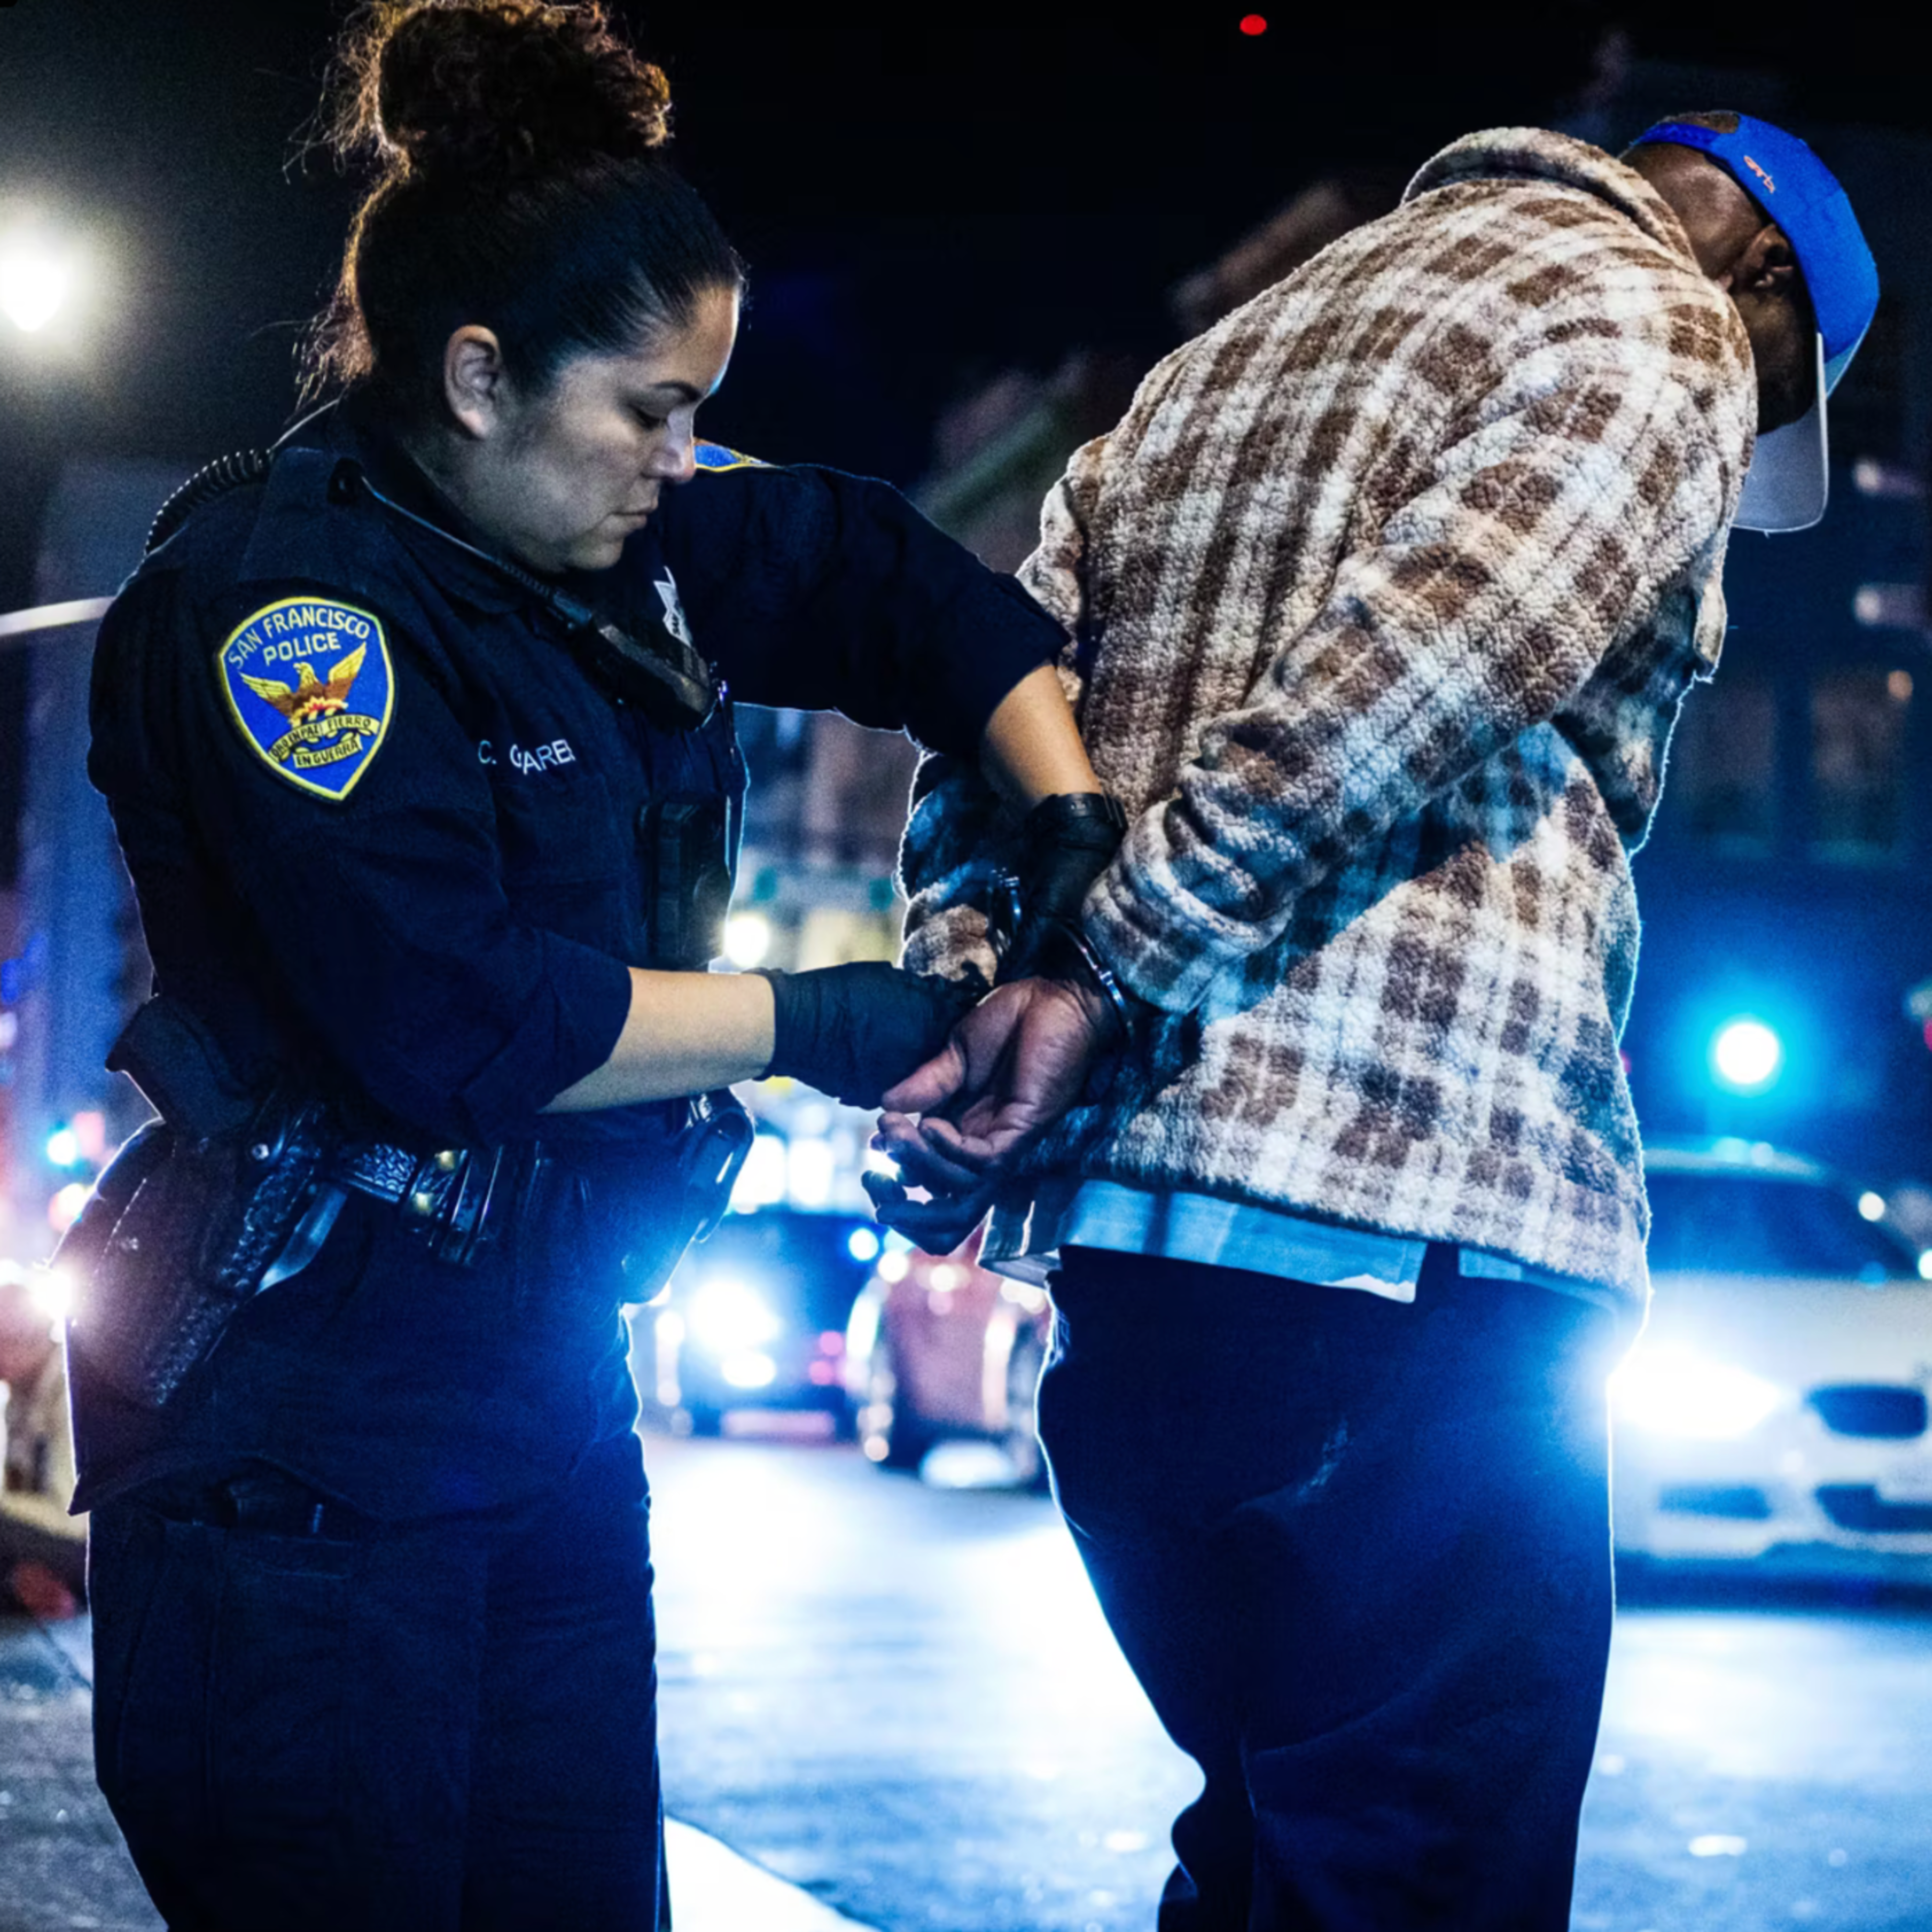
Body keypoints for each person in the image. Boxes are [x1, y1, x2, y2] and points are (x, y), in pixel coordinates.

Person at [71, 4, 1103, 1927]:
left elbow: (897, 585)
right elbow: (455, 1014)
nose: (684, 459)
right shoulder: (299, 613)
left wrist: (1067, 813)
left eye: (701, 405)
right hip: (304, 1442)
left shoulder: (611, 537)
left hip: (539, 1403)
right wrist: (825, 1021)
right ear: (478, 378)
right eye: (652, 410)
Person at [875, 112, 1877, 1927]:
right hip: (1412, 1258)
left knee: (1265, 1849)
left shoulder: (1208, 362)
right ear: (1754, 267)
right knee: (1419, 1874)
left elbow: (993, 698)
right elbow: (1424, 667)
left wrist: (970, 1008)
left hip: (1138, 1287)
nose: (1742, 434)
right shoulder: (1654, 323)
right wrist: (1101, 978)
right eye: (1782, 381)